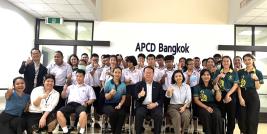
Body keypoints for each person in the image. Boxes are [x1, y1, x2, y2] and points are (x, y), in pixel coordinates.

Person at [57, 69, 96, 134]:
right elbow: (63, 96)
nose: (78, 78)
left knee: (83, 114)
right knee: (59, 112)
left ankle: (81, 132)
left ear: (84, 77)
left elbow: (93, 98)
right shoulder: (70, 87)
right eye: (77, 76)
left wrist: (87, 103)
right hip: (70, 105)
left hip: (80, 105)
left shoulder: (88, 88)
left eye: (80, 76)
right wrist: (64, 90)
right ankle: (65, 131)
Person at [237, 53, 264, 134]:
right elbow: (238, 86)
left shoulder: (258, 72)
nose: (247, 61)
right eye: (245, 60)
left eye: (249, 59)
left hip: (253, 95)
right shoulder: (240, 72)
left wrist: (256, 79)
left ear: (253, 60)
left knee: (252, 118)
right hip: (242, 93)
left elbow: (258, 87)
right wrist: (240, 98)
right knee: (242, 117)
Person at [213, 56, 239, 134]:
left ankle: (230, 132)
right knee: (221, 115)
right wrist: (218, 76)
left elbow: (236, 85)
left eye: (227, 61)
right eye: (224, 61)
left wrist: (228, 94)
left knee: (231, 115)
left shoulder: (234, 72)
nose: (226, 63)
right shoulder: (218, 71)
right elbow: (213, 83)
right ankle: (221, 131)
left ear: (230, 62)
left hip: (231, 94)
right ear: (222, 63)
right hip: (219, 94)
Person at [135, 66, 164, 134]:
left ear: (153, 74)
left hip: (154, 106)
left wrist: (155, 104)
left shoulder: (158, 85)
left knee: (159, 114)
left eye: (150, 73)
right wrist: (139, 95)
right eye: (146, 73)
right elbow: (135, 97)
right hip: (142, 106)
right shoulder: (139, 84)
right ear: (144, 74)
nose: (148, 74)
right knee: (139, 113)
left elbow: (162, 98)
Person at [193, 69, 222, 134]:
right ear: (201, 76)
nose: (206, 76)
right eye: (204, 75)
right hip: (201, 106)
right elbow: (196, 100)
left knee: (217, 115)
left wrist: (217, 90)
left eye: (208, 75)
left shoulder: (215, 85)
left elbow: (218, 99)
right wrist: (206, 107)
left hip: (213, 105)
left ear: (210, 76)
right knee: (206, 114)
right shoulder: (197, 87)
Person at [103, 67, 127, 134]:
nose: (117, 74)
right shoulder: (108, 83)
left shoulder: (123, 85)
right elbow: (106, 97)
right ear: (113, 73)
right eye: (115, 72)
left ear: (121, 74)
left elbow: (123, 98)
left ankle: (117, 132)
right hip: (108, 104)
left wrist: (120, 105)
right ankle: (115, 131)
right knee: (113, 113)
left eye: (119, 72)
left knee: (122, 114)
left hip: (118, 104)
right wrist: (110, 94)